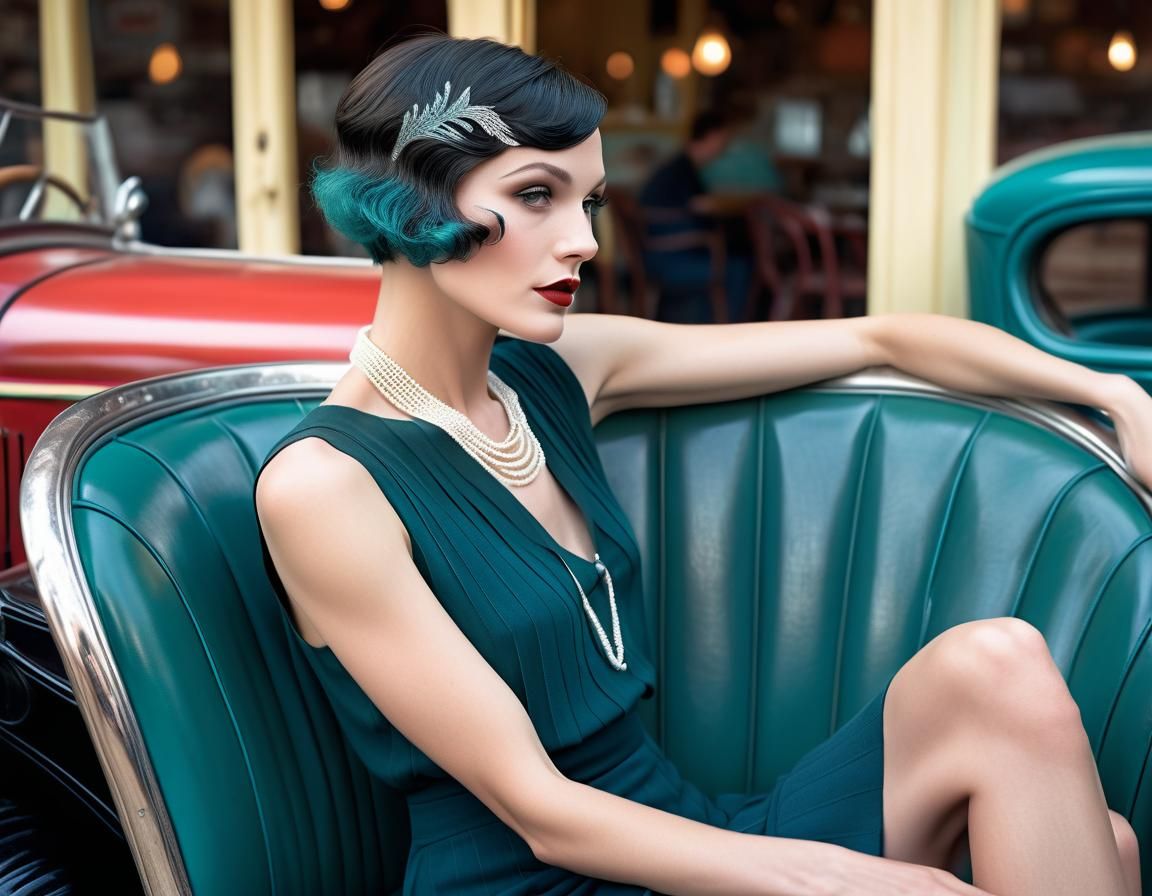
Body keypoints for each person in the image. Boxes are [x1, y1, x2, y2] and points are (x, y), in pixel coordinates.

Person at [255, 33, 1144, 896]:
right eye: (536, 196)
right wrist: (847, 878)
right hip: (545, 872)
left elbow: (879, 336)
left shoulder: (559, 375)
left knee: (1016, 694)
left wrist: (1115, 393)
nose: (583, 243)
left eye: (589, 203)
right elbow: (542, 812)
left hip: (685, 829)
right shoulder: (326, 486)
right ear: (414, 202)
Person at [636, 110, 755, 324]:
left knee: (736, 251)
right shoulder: (682, 169)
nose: (724, 147)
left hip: (657, 252)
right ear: (712, 136)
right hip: (669, 258)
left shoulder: (678, 165)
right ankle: (727, 334)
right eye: (723, 139)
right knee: (739, 266)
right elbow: (702, 206)